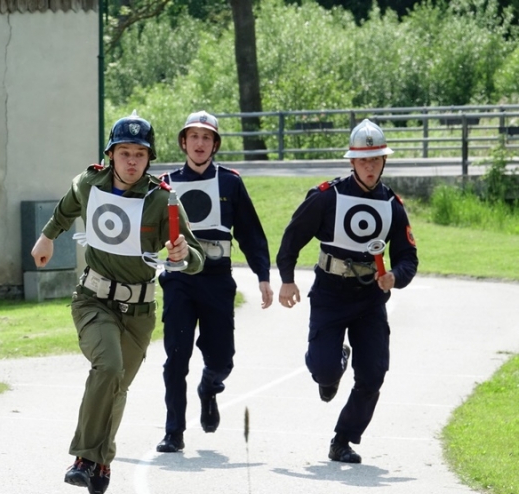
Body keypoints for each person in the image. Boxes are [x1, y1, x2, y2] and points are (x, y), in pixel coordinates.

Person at [30, 111, 204, 494]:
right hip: (94, 300)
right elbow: (67, 205)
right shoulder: (91, 183)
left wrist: (181, 254)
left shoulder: (162, 200)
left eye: (139, 154)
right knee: (107, 367)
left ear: (149, 158)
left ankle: (102, 459)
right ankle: (83, 458)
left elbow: (196, 255)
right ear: (110, 154)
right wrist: (46, 238)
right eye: (123, 152)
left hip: (139, 313)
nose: (131, 161)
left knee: (118, 387)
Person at [275, 118, 418, 463]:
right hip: (330, 293)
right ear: (352, 161)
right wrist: (287, 278)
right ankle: (333, 363)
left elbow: (408, 257)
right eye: (363, 160)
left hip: (370, 298)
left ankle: (343, 439)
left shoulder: (393, 205)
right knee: (324, 371)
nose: (370, 167)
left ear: (384, 162)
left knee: (373, 374)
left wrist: (395, 277)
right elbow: (292, 237)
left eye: (376, 160)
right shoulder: (328, 197)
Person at [155, 111, 273, 453]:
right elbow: (145, 228)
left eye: (207, 138)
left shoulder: (231, 182)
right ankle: (174, 431)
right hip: (179, 280)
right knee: (176, 356)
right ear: (183, 142)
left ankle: (209, 388)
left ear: (215, 144)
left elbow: (251, 233)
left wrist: (263, 275)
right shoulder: (165, 184)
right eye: (194, 137)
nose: (200, 143)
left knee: (222, 359)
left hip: (218, 280)